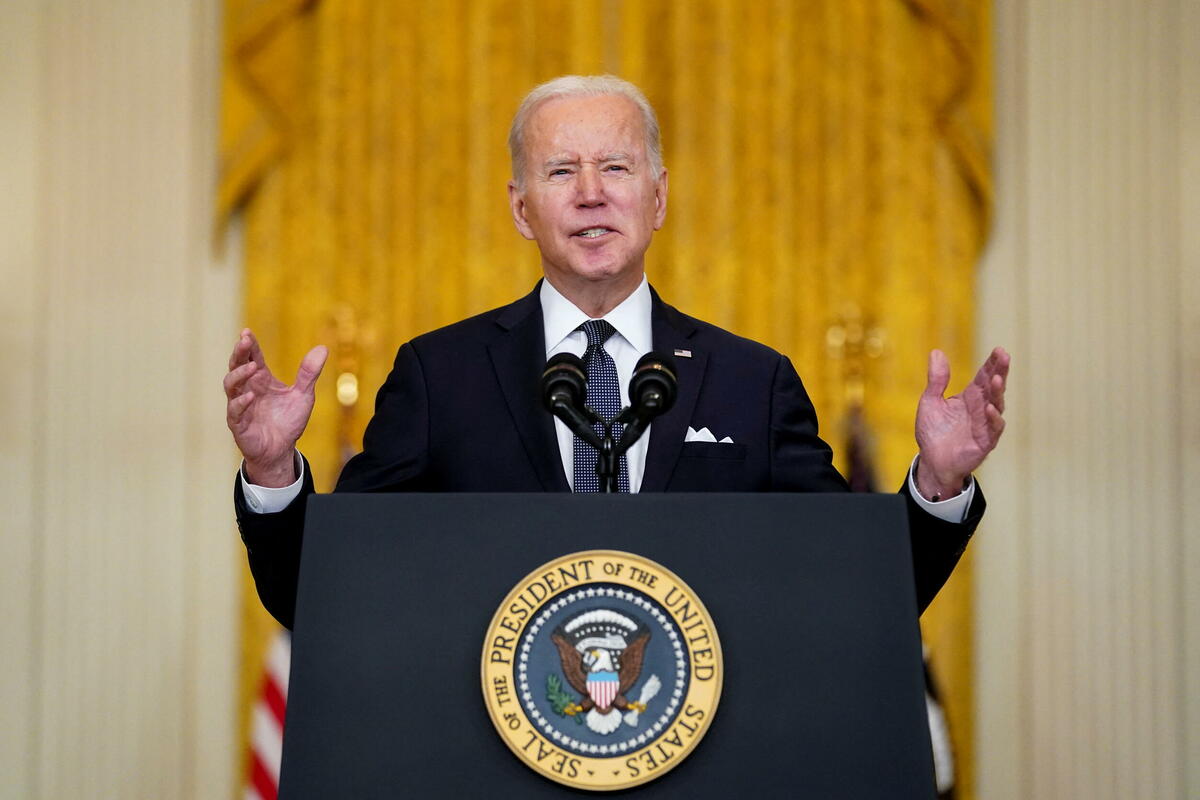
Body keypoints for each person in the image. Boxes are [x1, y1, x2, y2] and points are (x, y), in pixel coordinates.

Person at [225, 75, 1009, 630]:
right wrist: (272, 474)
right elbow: (323, 595)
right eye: (561, 170)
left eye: (615, 167)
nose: (590, 191)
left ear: (658, 197)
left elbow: (858, 592)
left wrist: (937, 485)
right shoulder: (441, 377)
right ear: (521, 208)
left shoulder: (752, 382)